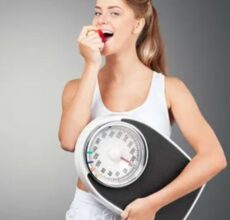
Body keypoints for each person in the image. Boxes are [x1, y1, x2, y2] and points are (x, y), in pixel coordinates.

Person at [57, 0, 227, 219]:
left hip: (146, 213)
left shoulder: (169, 89)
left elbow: (214, 157)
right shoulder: (76, 88)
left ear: (137, 25)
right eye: (97, 12)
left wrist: (154, 204)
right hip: (88, 211)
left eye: (114, 13)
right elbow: (69, 142)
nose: (101, 20)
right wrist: (90, 65)